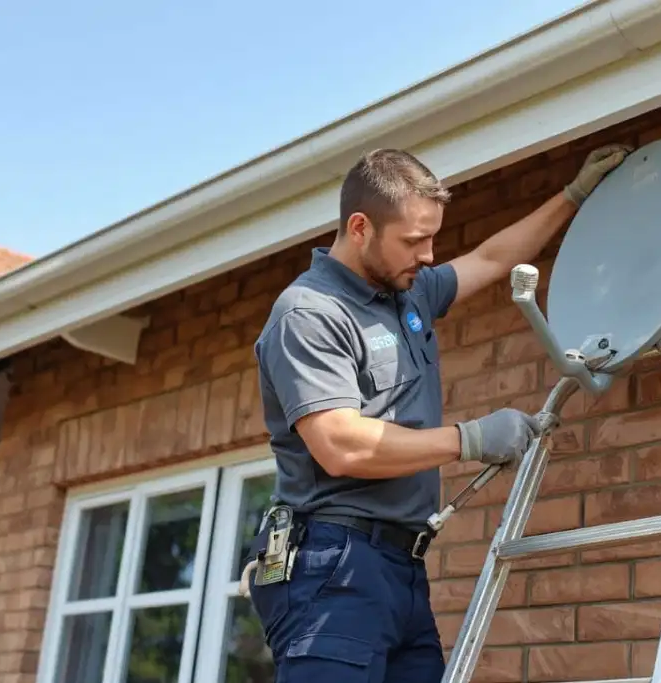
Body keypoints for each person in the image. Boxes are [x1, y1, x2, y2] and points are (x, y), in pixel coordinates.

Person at [243, 142, 631, 682]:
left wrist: (573, 195)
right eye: (414, 240)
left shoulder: (409, 293)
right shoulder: (310, 313)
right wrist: (469, 439)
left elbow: (492, 259)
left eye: (432, 237)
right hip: (331, 566)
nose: (427, 254)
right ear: (360, 227)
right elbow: (339, 443)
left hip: (400, 568)